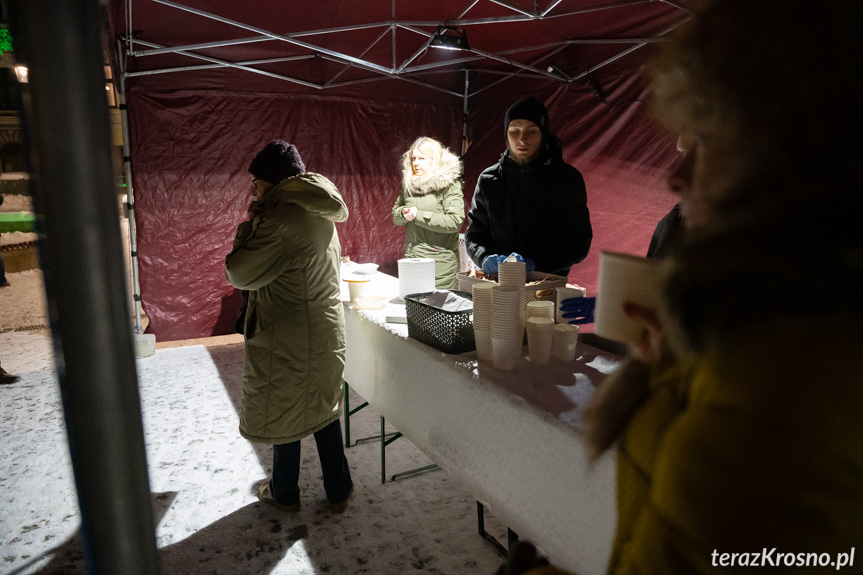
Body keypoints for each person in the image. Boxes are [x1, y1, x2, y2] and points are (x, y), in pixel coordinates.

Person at [501, 0, 863, 573]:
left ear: (785, 152)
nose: (675, 173)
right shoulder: (750, 316)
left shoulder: (782, 387)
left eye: (705, 139)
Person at [225, 139, 354, 513]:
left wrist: (248, 227)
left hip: (291, 333)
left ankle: (284, 492)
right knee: (321, 409)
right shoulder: (316, 208)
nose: (252, 189)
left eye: (257, 181)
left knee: (286, 409)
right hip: (321, 329)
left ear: (276, 181)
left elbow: (239, 272)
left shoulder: (281, 220)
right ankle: (339, 489)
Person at [465, 97, 592, 277]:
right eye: (515, 131)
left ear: (543, 134)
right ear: (506, 135)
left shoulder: (566, 179)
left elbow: (578, 242)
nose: (522, 139)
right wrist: (484, 257)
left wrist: (537, 264)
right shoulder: (489, 180)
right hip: (498, 283)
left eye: (531, 131)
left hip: (546, 285)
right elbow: (475, 233)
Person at [391, 137, 465, 289]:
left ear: (434, 160)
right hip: (411, 260)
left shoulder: (449, 185)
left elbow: (455, 222)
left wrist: (419, 216)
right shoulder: (409, 184)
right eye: (413, 158)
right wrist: (403, 213)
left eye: (422, 158)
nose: (416, 163)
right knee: (412, 310)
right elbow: (395, 217)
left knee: (438, 310)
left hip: (439, 266)